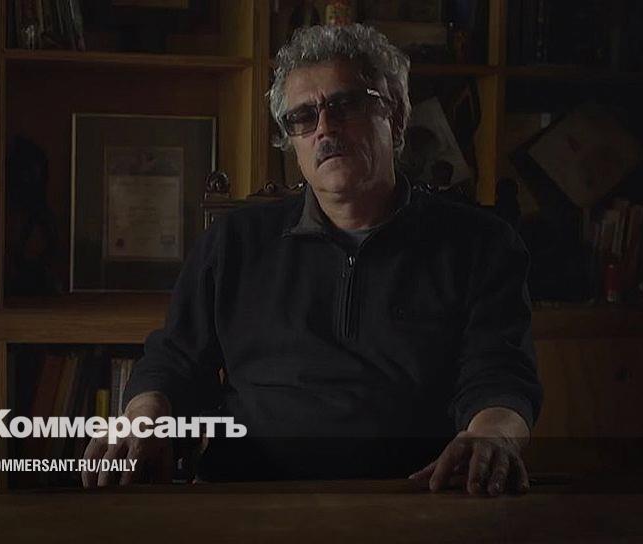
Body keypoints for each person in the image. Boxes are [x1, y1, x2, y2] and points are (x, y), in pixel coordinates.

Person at [83, 24, 542, 495]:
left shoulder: (481, 245)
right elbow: (175, 361)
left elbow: (499, 376)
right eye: (303, 116)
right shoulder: (234, 242)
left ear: (397, 116)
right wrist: (144, 418)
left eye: (345, 104)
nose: (325, 128)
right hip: (247, 497)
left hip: (414, 496)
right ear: (293, 143)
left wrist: (493, 436)